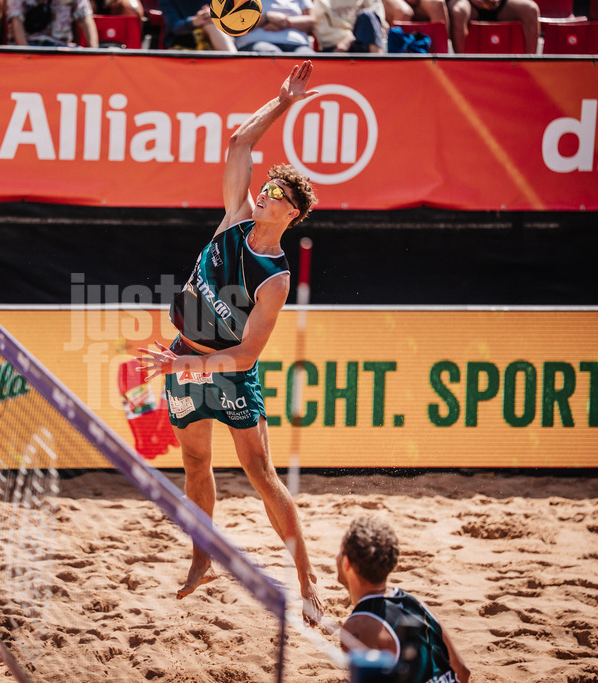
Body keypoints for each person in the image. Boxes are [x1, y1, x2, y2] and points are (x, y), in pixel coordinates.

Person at [136, 61, 324, 627]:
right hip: (184, 355)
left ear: (292, 211)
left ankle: (308, 580)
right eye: (265, 187)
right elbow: (240, 140)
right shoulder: (233, 220)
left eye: (276, 192)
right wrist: (284, 101)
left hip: (225, 371)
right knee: (194, 463)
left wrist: (190, 367)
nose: (263, 193)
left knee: (260, 474)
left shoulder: (275, 277)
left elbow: (247, 355)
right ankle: (202, 559)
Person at [335, 516, 472, 683]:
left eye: (340, 551)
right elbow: (462, 671)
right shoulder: (416, 604)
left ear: (347, 562)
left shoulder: (359, 627)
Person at [447, 0, 539, 53]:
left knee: (531, 10)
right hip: (468, 3)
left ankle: (530, 64)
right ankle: (462, 66)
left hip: (499, 4)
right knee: (458, 12)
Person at [235, 0, 317, 53]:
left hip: (297, 45)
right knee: (273, 54)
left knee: (308, 59)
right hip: (256, 44)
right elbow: (237, 22)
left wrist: (285, 22)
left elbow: (312, 21)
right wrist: (266, 18)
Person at [7, 0, 99, 46]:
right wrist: (27, 55)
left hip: (61, 48)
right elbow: (16, 21)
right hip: (30, 47)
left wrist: (95, 53)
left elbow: (86, 19)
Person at [310, 0, 386, 52]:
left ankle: (379, 65)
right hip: (336, 49)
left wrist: (349, 40)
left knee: (367, 15)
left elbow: (377, 22)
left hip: (365, 43)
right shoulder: (321, 2)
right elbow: (322, 29)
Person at [159, 0, 237, 49]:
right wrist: (194, 21)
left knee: (209, 23)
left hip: (216, 37)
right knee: (208, 23)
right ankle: (234, 63)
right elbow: (174, 27)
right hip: (183, 43)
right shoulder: (167, 1)